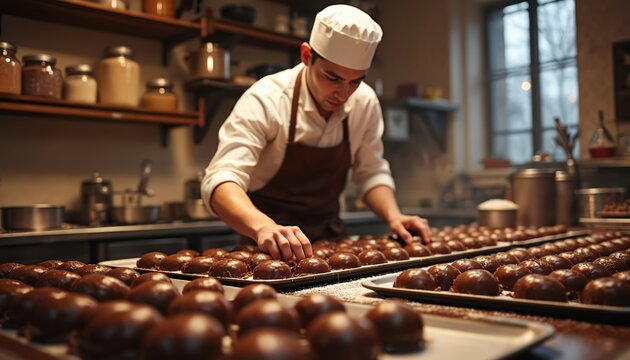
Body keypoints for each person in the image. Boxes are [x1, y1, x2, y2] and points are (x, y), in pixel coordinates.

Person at [202, 4, 432, 261]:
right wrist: (263, 226)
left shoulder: (364, 103)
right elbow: (221, 180)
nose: (343, 95)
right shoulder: (266, 99)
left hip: (331, 246)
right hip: (265, 250)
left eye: (355, 81)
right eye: (332, 78)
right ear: (306, 56)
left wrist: (394, 215)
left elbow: (371, 172)